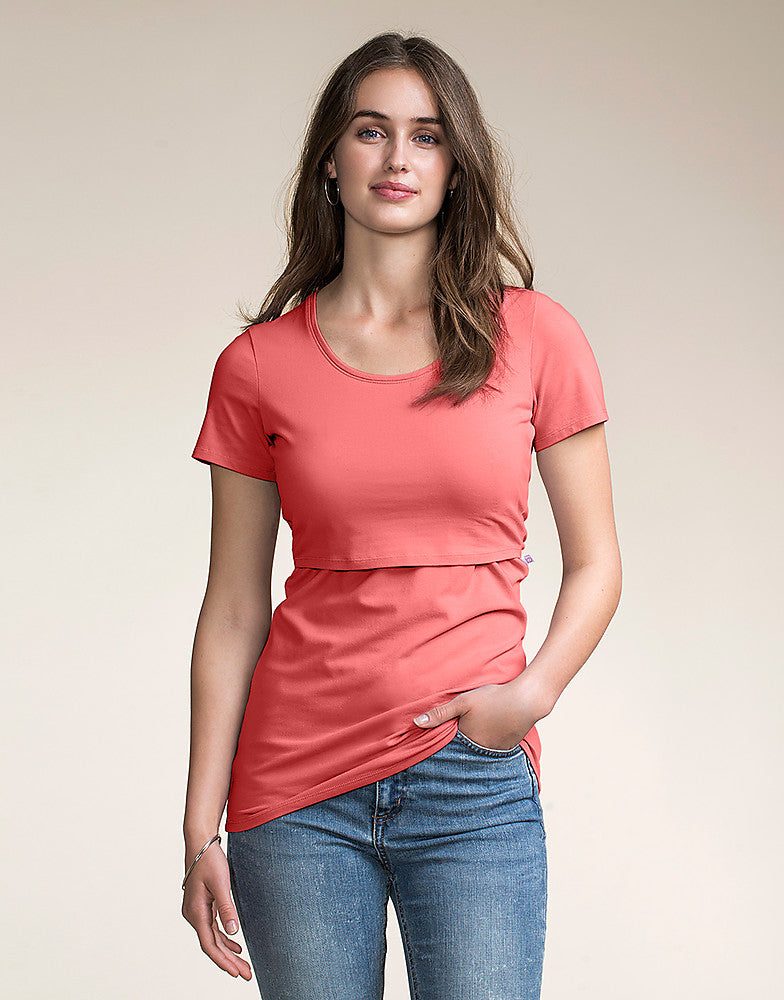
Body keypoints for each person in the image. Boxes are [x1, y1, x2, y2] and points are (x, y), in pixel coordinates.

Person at [181, 30, 622, 1000]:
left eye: (426, 136)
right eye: (370, 130)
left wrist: (530, 695)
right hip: (294, 790)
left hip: (470, 780)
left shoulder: (535, 337)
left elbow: (597, 563)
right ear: (329, 161)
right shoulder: (255, 366)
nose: (397, 157)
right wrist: (199, 824)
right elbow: (233, 609)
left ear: (455, 167)